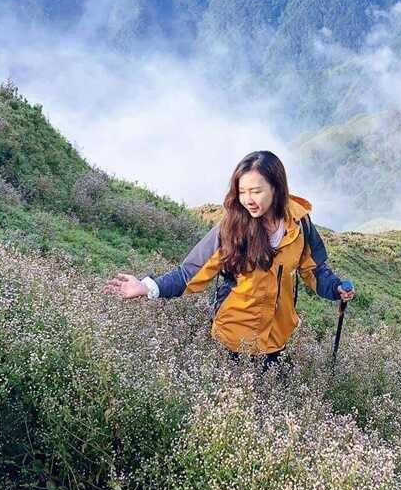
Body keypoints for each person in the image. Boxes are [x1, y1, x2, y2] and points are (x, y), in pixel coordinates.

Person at [106, 150, 356, 375]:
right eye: (242, 191)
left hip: (276, 337)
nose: (248, 199)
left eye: (256, 191)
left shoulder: (300, 224)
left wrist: (336, 288)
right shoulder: (230, 229)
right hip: (233, 339)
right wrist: (147, 287)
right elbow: (189, 274)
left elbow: (314, 270)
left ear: (277, 188)